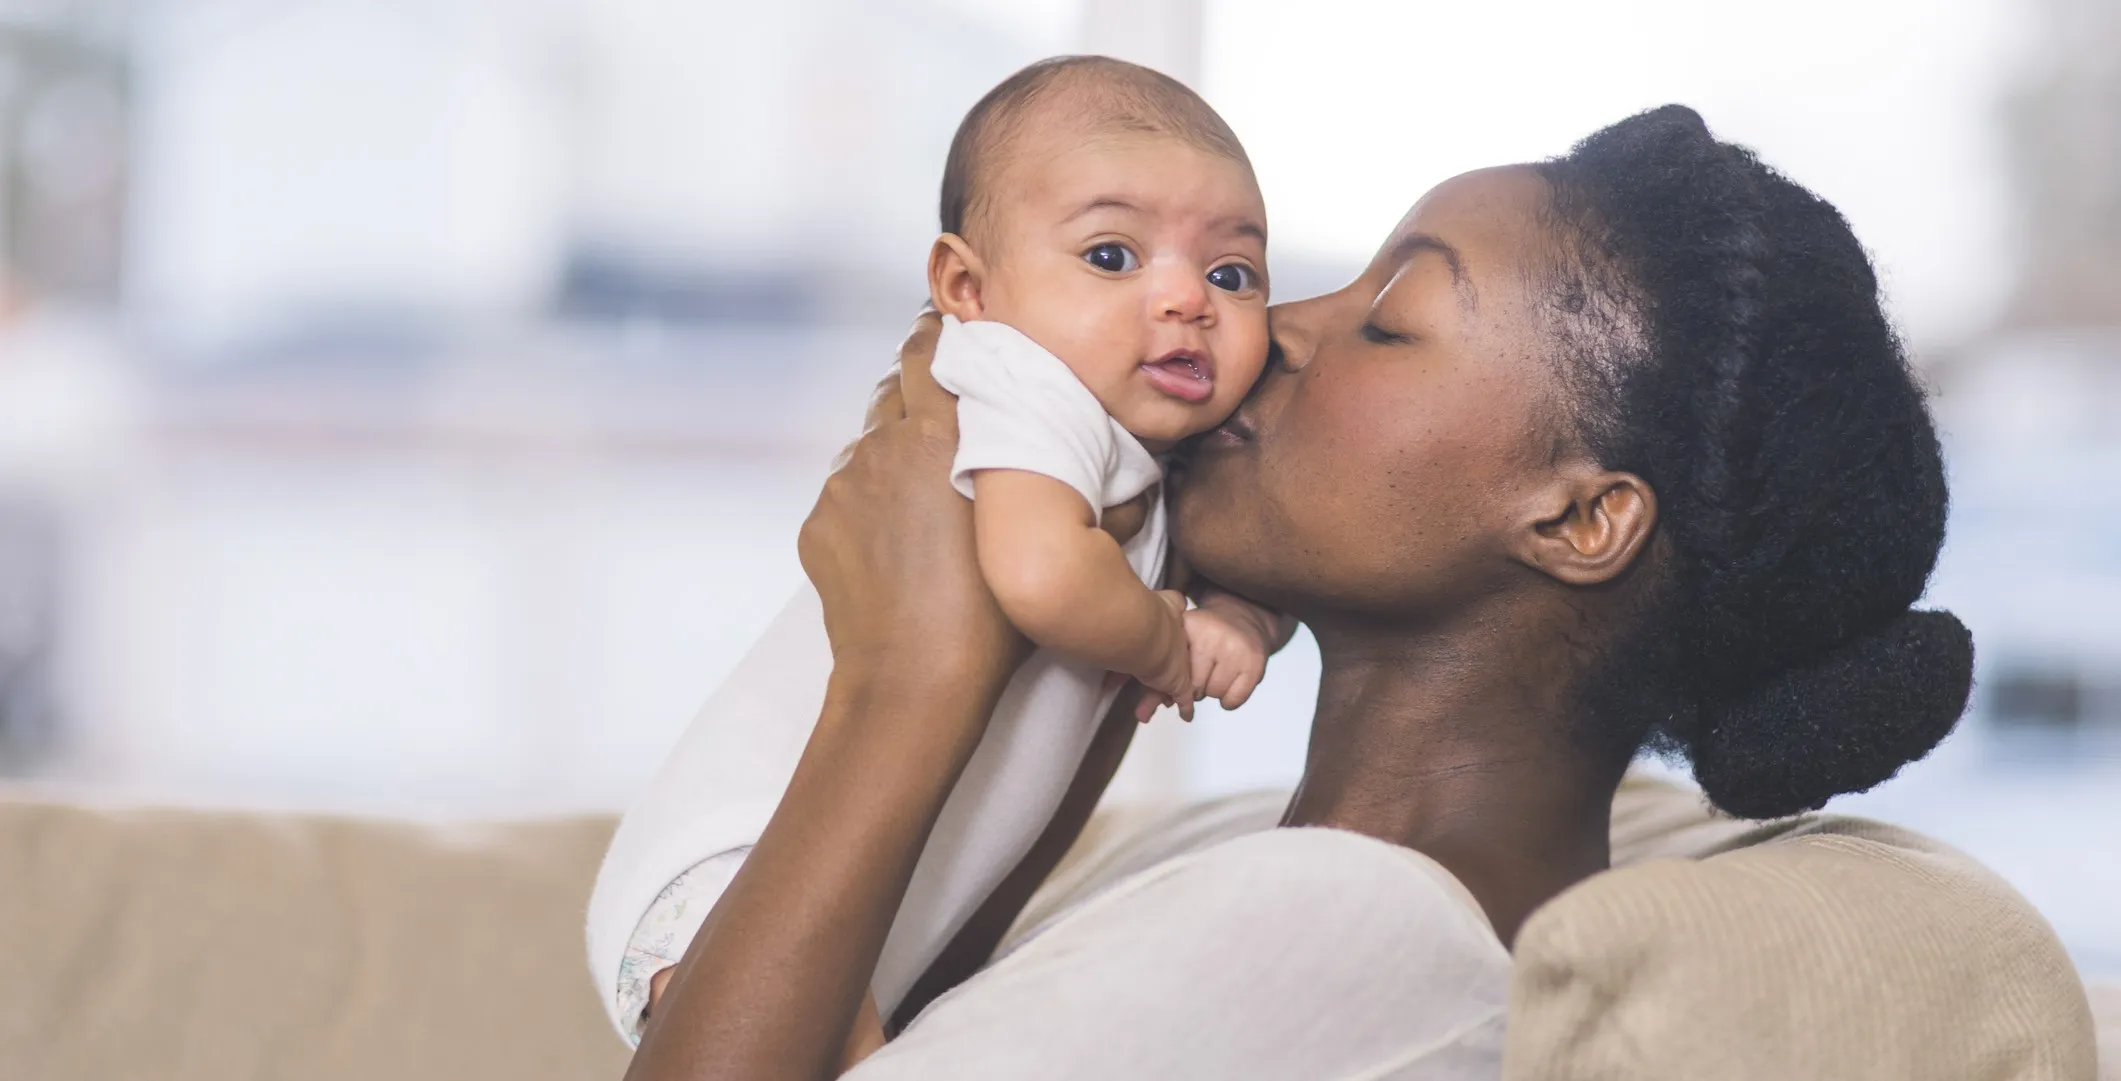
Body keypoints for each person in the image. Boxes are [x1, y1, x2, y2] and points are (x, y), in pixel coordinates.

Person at [624, 105, 1978, 1080]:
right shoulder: (1263, 864)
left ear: (1579, 517)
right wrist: (1059, 674)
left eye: (1390, 321)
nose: (1271, 330)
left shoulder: (1351, 930)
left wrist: (901, 685)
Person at [585, 56, 1295, 1043]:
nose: (1187, 299)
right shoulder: (1019, 380)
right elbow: (1044, 575)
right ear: (967, 286)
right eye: (1110, 256)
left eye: (1231, 273)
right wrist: (1175, 642)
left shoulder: (1147, 449)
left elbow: (1263, 566)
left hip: (879, 890)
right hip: (730, 868)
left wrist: (1245, 619)